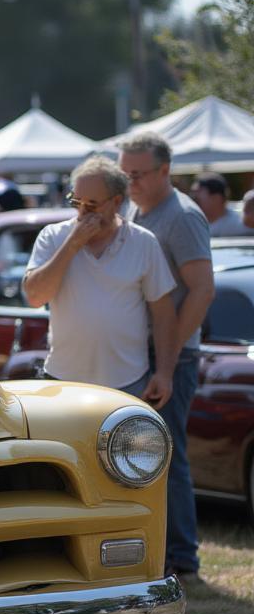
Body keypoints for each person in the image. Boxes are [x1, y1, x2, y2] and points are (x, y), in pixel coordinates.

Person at [119, 132, 214, 583]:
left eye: (137, 174)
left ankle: (183, 560)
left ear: (164, 171)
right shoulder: (138, 208)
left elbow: (201, 289)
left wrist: (169, 359)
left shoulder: (182, 217)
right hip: (147, 350)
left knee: (166, 456)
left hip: (170, 353)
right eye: (125, 173)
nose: (130, 181)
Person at [23, 156, 176, 408]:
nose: (82, 212)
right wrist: (72, 245)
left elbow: (163, 314)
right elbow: (35, 296)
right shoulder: (53, 236)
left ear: (116, 202)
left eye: (92, 205)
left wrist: (165, 373)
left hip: (128, 383)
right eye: (76, 202)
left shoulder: (143, 242)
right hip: (64, 381)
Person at [190, 172, 246, 236]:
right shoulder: (191, 224)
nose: (192, 198)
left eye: (197, 193)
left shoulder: (241, 224)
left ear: (216, 198)